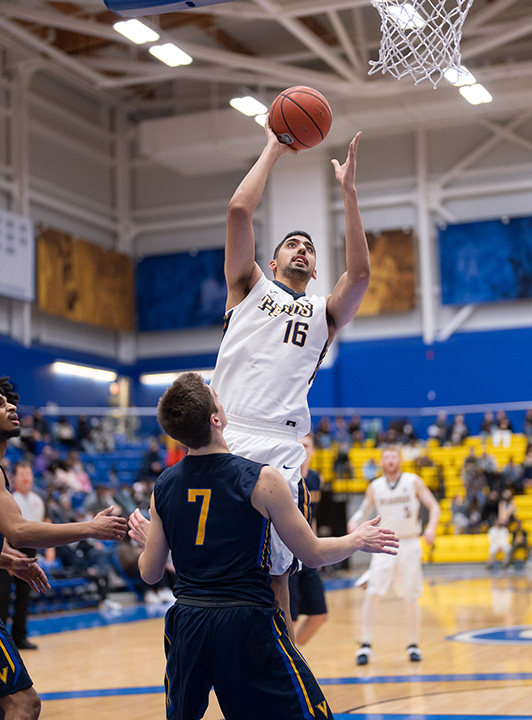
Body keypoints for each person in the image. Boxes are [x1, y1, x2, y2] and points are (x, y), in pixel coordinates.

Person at [125, 373, 397, 720]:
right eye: (217, 398)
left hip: (188, 621)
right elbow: (310, 552)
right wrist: (358, 539)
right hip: (244, 621)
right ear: (216, 419)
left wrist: (151, 542)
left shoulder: (163, 484)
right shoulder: (261, 478)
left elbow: (150, 573)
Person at [209, 128, 367, 636]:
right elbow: (238, 211)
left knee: (278, 572)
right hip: (226, 433)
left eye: (309, 247)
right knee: (211, 561)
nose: (302, 249)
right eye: (292, 244)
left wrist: (349, 195)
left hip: (280, 442)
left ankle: (278, 668)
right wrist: (276, 147)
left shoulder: (324, 313)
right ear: (271, 262)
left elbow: (360, 275)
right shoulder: (248, 288)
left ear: (316, 269)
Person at [0, 379, 127, 720]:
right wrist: (90, 528)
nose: (12, 407)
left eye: (8, 402)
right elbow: (19, 530)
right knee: (24, 703)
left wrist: (8, 561)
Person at [348, 444, 440, 664]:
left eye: (393, 457)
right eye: (386, 457)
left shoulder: (413, 481)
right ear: (381, 461)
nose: (390, 461)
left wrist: (431, 528)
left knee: (411, 596)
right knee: (373, 592)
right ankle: (365, 644)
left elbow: (434, 506)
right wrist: (354, 520)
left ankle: (413, 644)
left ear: (399, 460)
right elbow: (364, 510)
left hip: (409, 543)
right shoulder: (375, 486)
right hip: (384, 543)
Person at [0, 461, 45, 651]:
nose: (26, 477)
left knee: (24, 597)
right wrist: (8, 556)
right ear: (14, 478)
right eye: (22, 473)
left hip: (30, 551)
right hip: (6, 549)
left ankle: (20, 637)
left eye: (29, 473)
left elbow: (42, 526)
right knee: (1, 597)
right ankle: (0, 641)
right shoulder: (9, 499)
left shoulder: (38, 500)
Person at [287, 434, 328, 645]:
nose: (303, 449)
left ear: (313, 450)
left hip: (309, 552)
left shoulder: (316, 479)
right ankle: (284, 662)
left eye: (307, 446)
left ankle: (292, 655)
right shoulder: (284, 478)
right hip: (287, 553)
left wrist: (317, 548)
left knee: (320, 615)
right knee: (289, 618)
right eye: (299, 445)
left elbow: (312, 517)